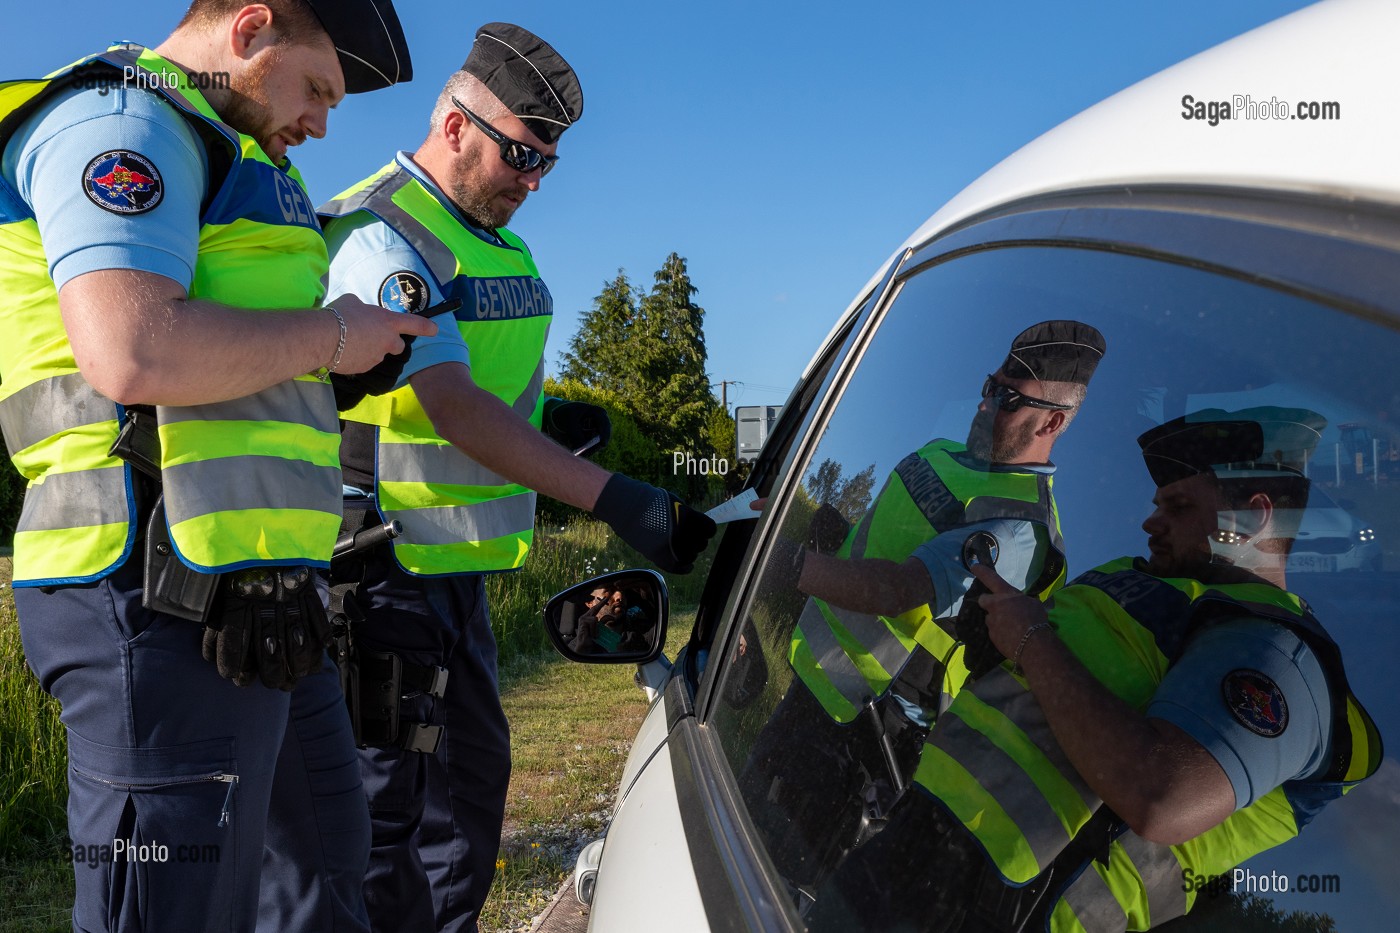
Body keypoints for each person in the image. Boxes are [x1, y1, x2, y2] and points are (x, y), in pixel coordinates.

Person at [0, 3, 430, 931]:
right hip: (147, 598)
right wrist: (337, 332)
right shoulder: (119, 122)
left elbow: (240, 366)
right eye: (316, 87)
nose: (321, 121)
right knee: (175, 903)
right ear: (250, 28)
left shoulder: (225, 149)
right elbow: (133, 352)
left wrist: (342, 361)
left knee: (323, 866)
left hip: (262, 591)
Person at [316, 23, 716, 931]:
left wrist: (553, 431)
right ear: (455, 123)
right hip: (381, 579)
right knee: (386, 834)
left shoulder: (499, 245)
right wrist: (616, 497)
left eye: (547, 165)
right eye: (520, 154)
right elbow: (450, 404)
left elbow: (491, 393)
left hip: (456, 581)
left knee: (466, 815)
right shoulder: (383, 234)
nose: (531, 182)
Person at [808, 406, 1382, 932]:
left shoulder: (1279, 657)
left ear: (1252, 519)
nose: (1150, 523)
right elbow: (1047, 697)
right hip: (919, 838)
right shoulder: (1135, 579)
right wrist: (998, 643)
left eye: (1178, 507)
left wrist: (1030, 639)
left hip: (1006, 910)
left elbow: (1161, 794)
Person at [743, 321, 1106, 885]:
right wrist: (822, 538)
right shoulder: (943, 452)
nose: (987, 404)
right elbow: (879, 540)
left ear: (1053, 421)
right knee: (735, 838)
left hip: (867, 734)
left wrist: (778, 563)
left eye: (1009, 399)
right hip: (814, 682)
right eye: (991, 385)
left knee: (772, 886)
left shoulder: (1020, 528)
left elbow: (896, 588)